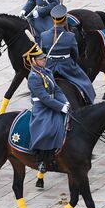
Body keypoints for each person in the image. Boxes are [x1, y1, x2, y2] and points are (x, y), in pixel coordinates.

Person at [25, 43, 70, 174]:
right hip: (42, 107)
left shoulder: (47, 71)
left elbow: (57, 89)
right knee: (47, 128)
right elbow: (44, 98)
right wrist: (60, 107)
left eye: (44, 58)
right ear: (33, 61)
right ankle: (41, 160)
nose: (44, 60)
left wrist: (65, 102)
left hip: (53, 102)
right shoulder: (33, 77)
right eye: (41, 59)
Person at [40, 4, 96, 103]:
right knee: (85, 82)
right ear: (65, 19)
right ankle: (88, 100)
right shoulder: (70, 36)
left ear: (53, 20)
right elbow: (75, 55)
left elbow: (42, 52)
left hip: (50, 66)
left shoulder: (44, 35)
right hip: (66, 66)